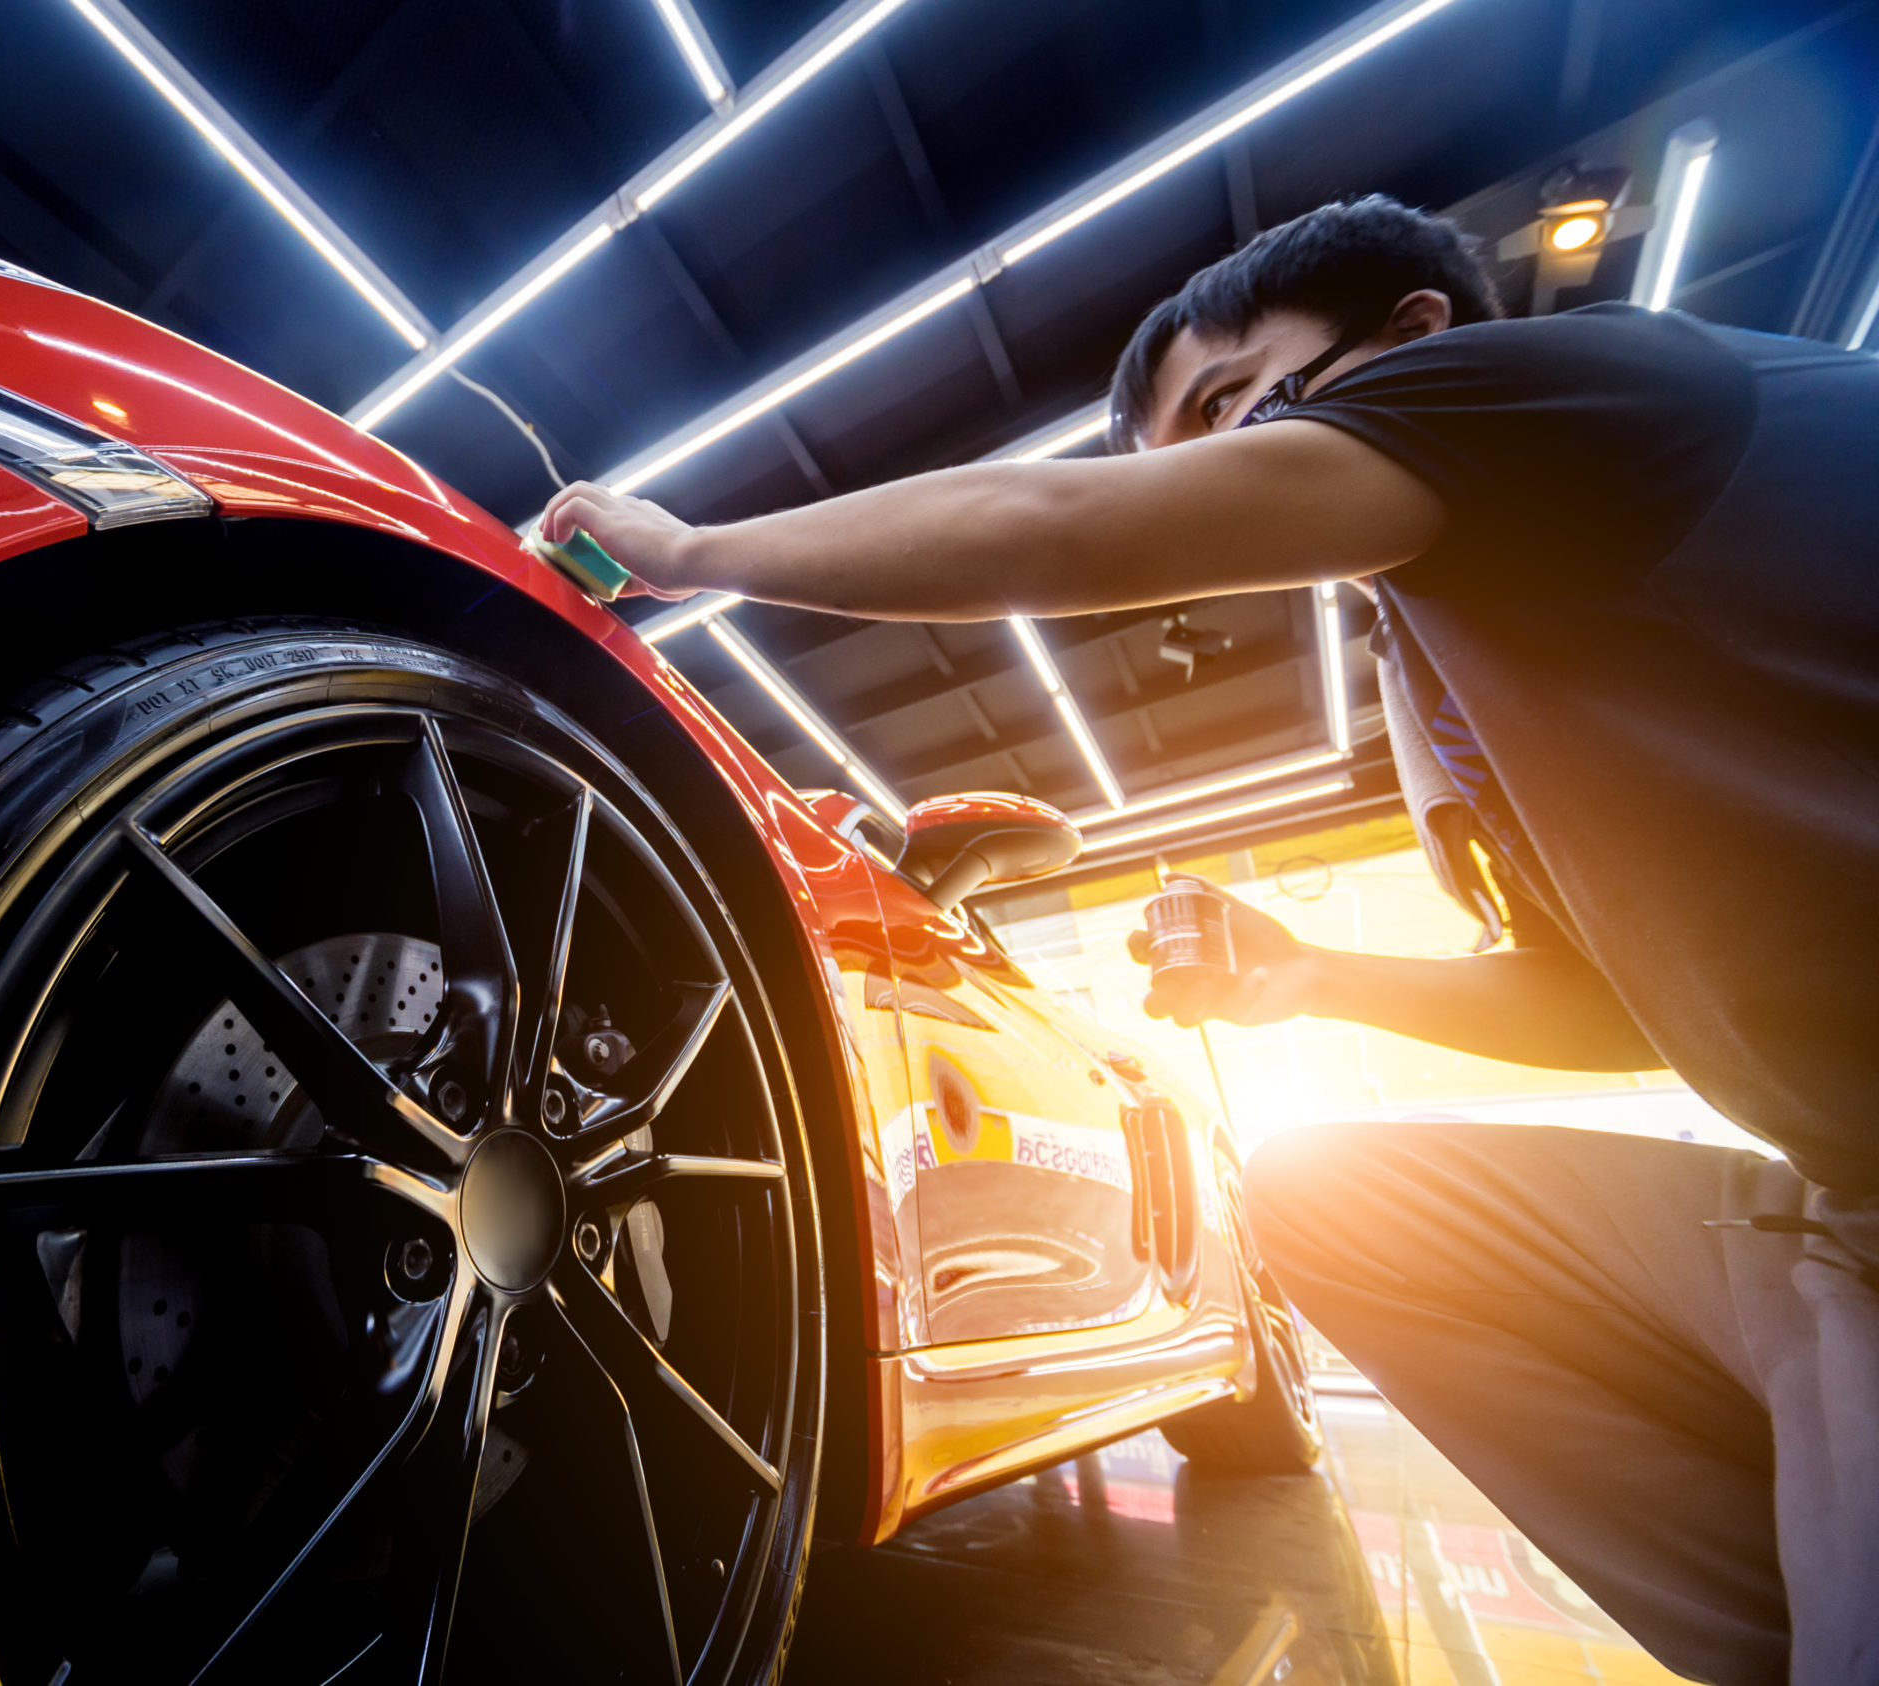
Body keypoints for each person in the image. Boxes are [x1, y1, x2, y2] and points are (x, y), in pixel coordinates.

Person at [535, 195, 1879, 1686]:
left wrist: (693, 544)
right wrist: (1308, 975)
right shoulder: (1451, 659)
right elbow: (1620, 1010)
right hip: (1844, 1193)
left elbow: (1046, 521)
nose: (1214, 483)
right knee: (1330, 1196)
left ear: (1406, 338)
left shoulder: (1570, 380)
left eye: (1232, 408)